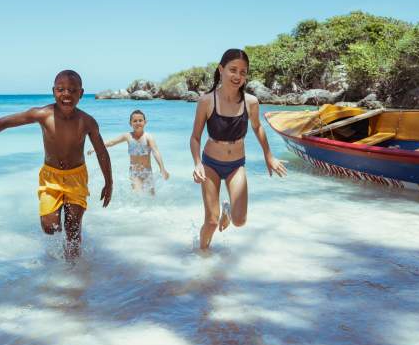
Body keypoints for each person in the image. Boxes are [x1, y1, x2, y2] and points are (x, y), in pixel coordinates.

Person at [0, 70, 113, 259]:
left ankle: (72, 271)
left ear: (81, 94)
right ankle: (56, 257)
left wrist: (109, 182)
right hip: (51, 177)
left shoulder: (87, 122)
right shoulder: (43, 114)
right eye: (61, 89)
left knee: (72, 228)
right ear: (53, 91)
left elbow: (101, 152)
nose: (66, 94)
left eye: (72, 90)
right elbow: (2, 123)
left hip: (76, 177)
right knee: (50, 227)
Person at [190, 49, 287, 250]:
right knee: (210, 221)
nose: (238, 76)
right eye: (233, 70)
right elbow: (195, 137)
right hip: (210, 164)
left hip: (236, 165)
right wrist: (197, 163)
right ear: (221, 69)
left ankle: (228, 210)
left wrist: (269, 156)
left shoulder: (251, 102)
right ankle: (202, 255)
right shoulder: (207, 101)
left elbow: (258, 128)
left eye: (243, 72)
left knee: (240, 220)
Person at [89, 110, 169, 194]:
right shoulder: (128, 136)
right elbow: (111, 142)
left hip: (147, 171)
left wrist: (162, 169)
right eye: (135, 121)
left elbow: (156, 152)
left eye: (140, 120)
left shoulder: (148, 137)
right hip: (134, 172)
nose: (138, 123)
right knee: (138, 195)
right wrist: (96, 147)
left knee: (151, 196)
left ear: (145, 122)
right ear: (130, 123)